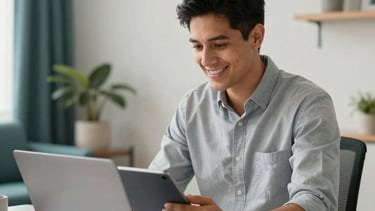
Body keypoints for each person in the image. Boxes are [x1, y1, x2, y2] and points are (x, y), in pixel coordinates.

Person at [149, 0, 340, 210]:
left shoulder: (308, 103)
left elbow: (313, 201)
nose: (206, 59)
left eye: (219, 45)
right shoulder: (192, 107)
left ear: (256, 37)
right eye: (197, 46)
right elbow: (154, 185)